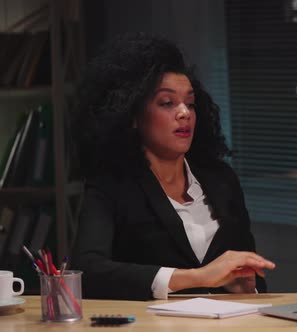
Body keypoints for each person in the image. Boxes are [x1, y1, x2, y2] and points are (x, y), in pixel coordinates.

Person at [71, 33, 275, 300]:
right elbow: (88, 271)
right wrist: (196, 278)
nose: (184, 113)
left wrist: (245, 285)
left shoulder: (221, 180)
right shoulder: (111, 185)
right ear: (133, 116)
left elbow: (248, 270)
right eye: (167, 103)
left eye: (190, 103)